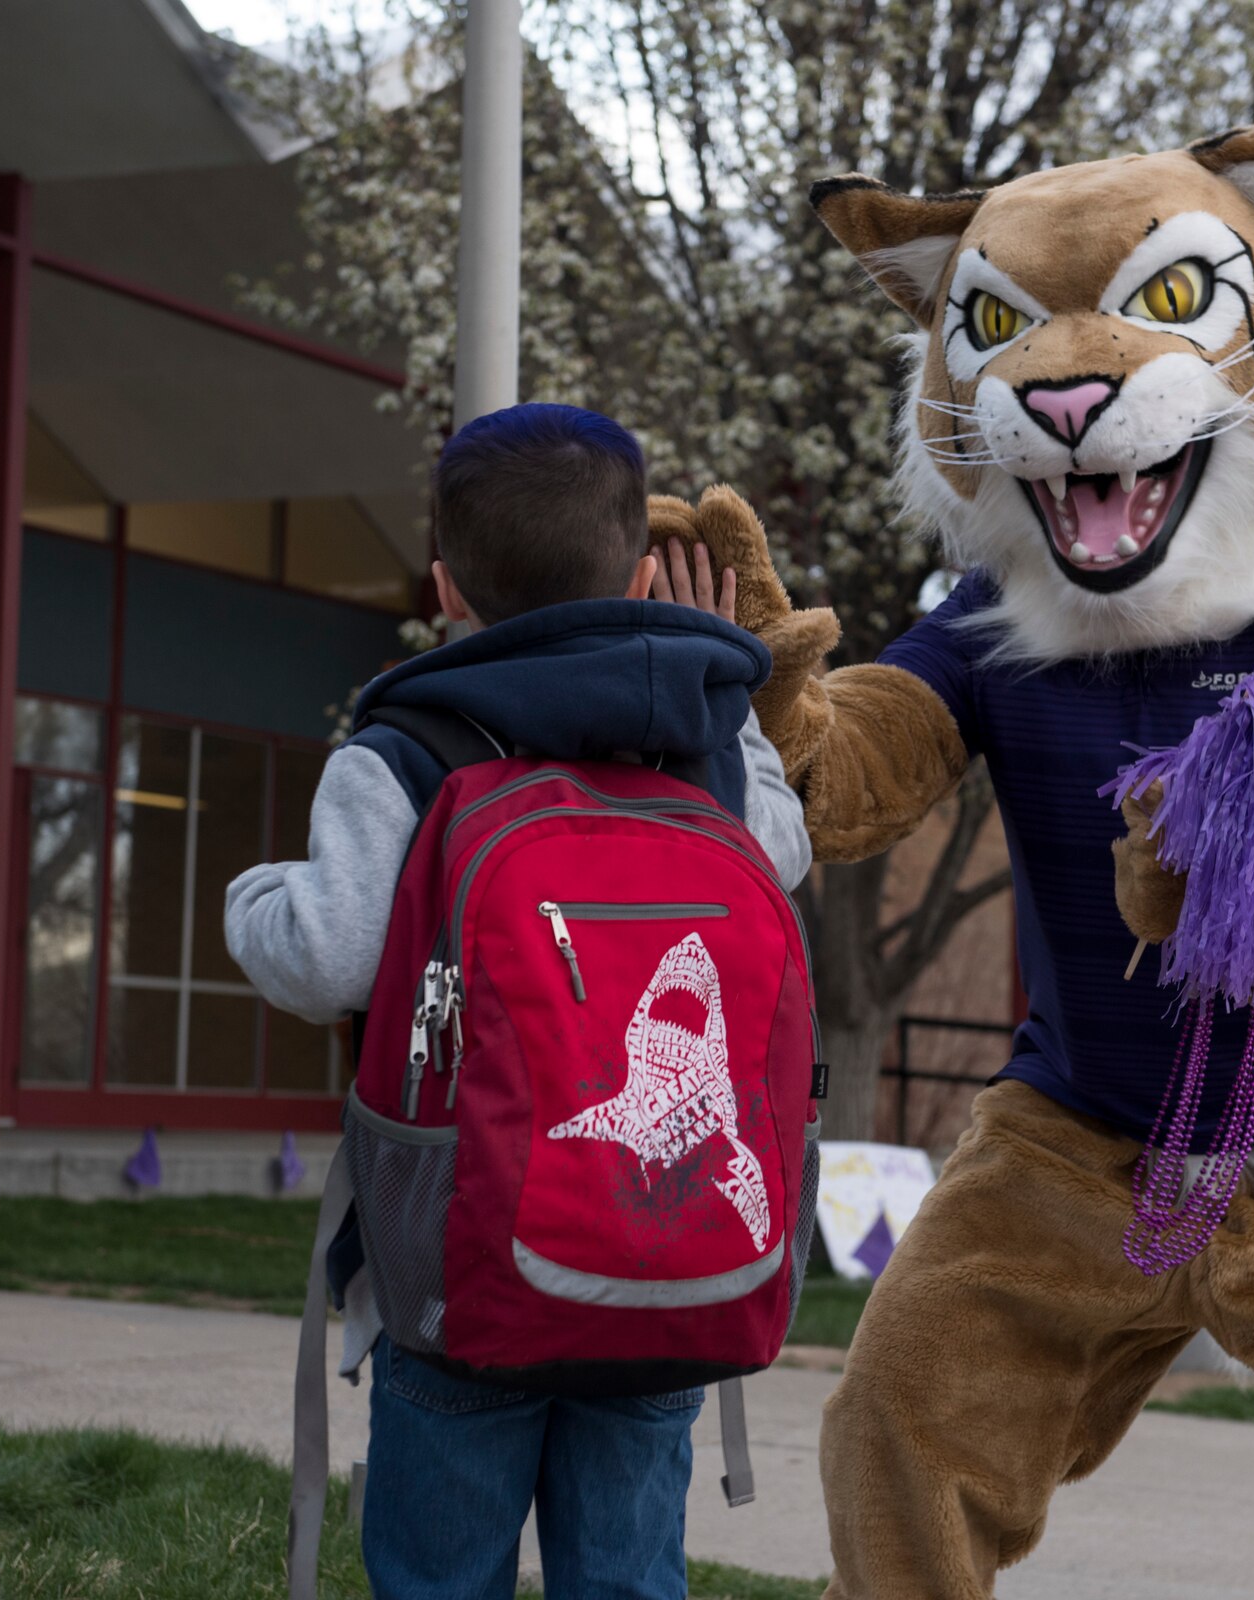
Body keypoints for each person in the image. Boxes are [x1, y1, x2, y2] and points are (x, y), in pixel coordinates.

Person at [225, 403, 810, 1600]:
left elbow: (328, 956)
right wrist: (729, 695)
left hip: (458, 1271)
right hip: (664, 1259)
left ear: (445, 585)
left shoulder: (407, 742)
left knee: (441, 1576)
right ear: (642, 571)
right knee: (630, 1575)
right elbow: (783, 853)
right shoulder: (699, 733)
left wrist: (257, 895)